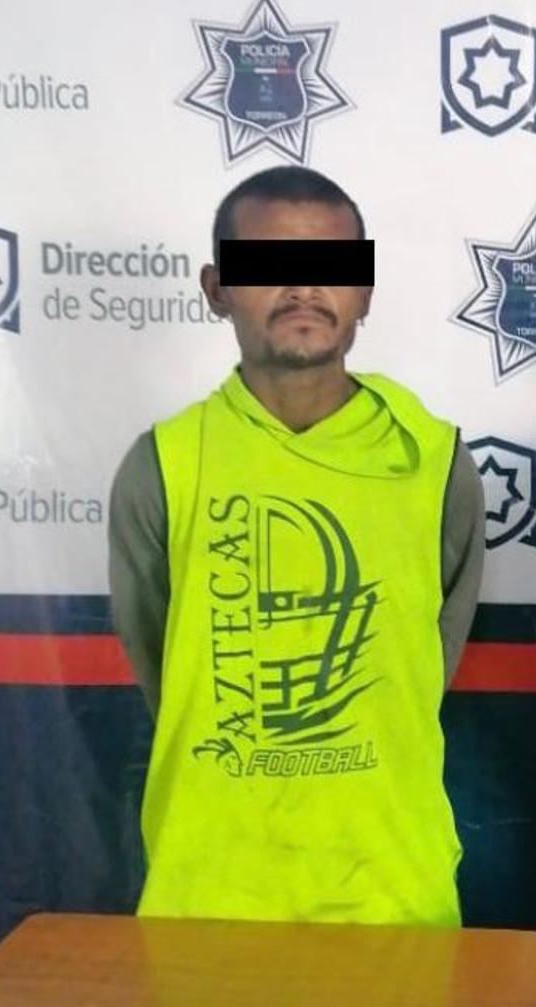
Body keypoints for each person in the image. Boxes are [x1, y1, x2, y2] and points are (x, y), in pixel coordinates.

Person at [108, 166, 484, 925]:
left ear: (365, 290)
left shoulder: (434, 461)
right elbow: (163, 665)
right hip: (209, 894)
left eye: (330, 265)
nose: (303, 288)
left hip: (390, 896)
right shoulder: (164, 466)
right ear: (216, 288)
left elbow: (426, 667)